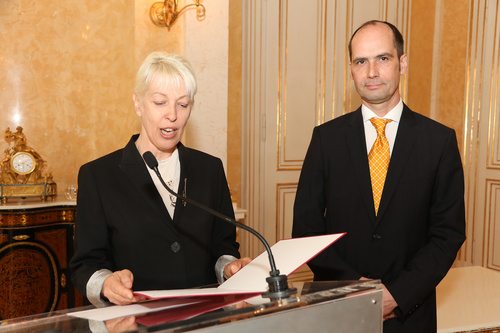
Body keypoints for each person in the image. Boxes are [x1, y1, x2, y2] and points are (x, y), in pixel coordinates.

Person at [292, 20, 466, 332]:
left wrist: (397, 295)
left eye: (383, 58)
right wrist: (354, 287)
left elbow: (447, 234)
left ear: (403, 63)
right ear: (351, 69)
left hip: (410, 314)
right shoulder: (325, 139)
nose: (371, 72)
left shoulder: (438, 141)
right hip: (338, 309)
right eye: (361, 61)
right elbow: (306, 230)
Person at [70, 52, 251, 307]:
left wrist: (229, 268)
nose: (173, 115)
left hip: (201, 318)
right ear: (138, 103)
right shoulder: (98, 175)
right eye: (160, 102)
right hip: (134, 319)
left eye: (183, 104)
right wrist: (106, 283)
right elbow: (85, 265)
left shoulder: (210, 169)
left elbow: (223, 246)